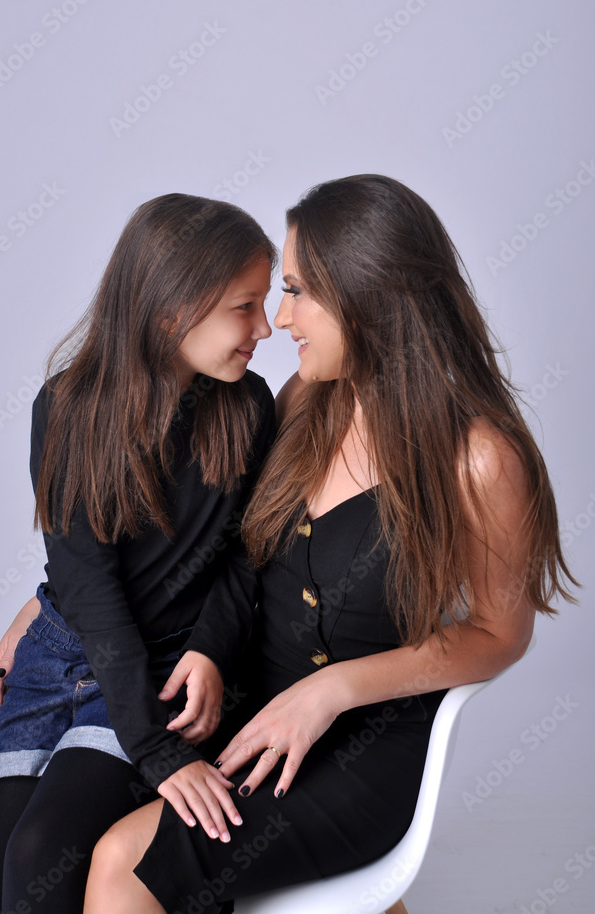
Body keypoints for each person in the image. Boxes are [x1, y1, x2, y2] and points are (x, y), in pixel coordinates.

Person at [83, 174, 579, 914]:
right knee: (64, 822)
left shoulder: (480, 459)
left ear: (369, 295)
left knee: (125, 861)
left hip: (363, 751)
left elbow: (498, 636)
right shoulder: (304, 401)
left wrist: (330, 691)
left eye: (298, 291)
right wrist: (46, 609)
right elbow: (203, 543)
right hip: (251, 712)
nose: (279, 320)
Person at [0, 193, 277, 913]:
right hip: (59, 660)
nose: (266, 328)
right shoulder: (66, 407)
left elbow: (246, 555)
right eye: (244, 307)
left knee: (42, 853)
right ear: (171, 309)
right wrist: (40, 614)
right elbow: (86, 584)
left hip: (154, 674)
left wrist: (212, 654)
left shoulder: (248, 408)